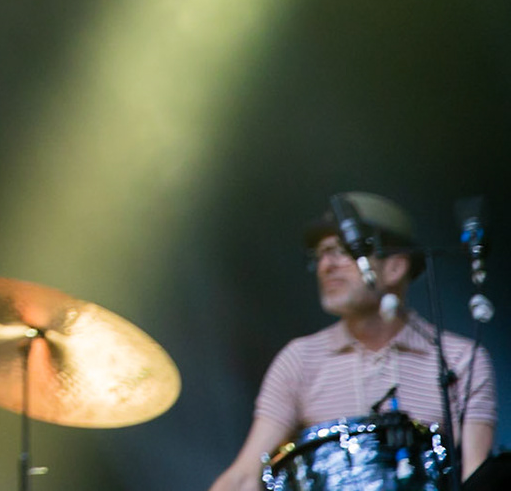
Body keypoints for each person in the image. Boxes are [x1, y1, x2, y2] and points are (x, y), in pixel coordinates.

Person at [208, 193, 499, 490]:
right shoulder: (299, 359)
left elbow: (475, 479)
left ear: (395, 267)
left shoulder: (462, 359)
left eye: (341, 251)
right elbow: (245, 475)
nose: (325, 265)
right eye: (320, 255)